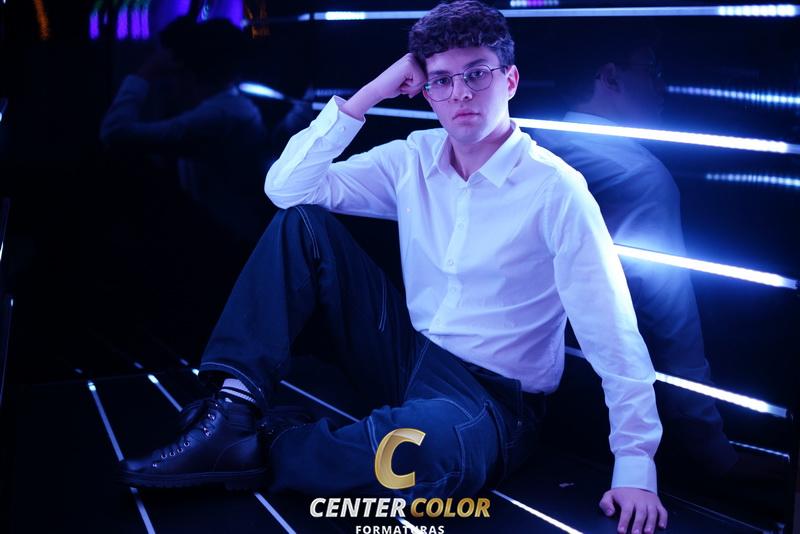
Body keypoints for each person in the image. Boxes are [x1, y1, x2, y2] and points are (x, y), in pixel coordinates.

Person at [120, 3, 668, 533]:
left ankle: (263, 446)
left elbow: (612, 331)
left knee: (416, 457)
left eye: (477, 74)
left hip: (493, 400)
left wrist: (635, 468)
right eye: (442, 80)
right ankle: (234, 410)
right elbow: (287, 189)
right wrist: (372, 93)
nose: (460, 93)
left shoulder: (557, 190)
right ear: (426, 91)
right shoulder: (413, 158)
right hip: (408, 355)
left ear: (510, 80)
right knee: (302, 223)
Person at [534, 22, 741, 478]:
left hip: (528, 398)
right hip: (603, 419)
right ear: (610, 77)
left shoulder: (534, 146)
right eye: (652, 70)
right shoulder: (639, 178)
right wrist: (712, 446)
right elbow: (673, 321)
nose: (663, 86)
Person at [100, 17, 271, 246]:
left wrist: (146, 72)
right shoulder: (233, 108)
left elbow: (114, 132)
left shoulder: (218, 116)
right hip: (235, 238)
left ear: (186, 68)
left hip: (230, 243)